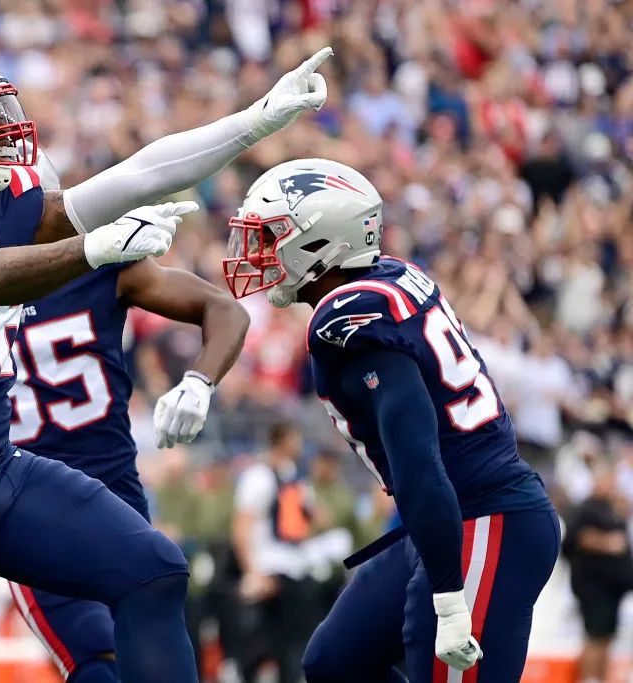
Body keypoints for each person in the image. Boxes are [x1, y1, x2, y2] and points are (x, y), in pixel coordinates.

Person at [0, 46, 332, 683]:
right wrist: (91, 249)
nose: (4, 127)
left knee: (154, 571)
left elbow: (140, 175)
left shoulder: (1, 206)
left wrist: (255, 120)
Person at [222, 158, 560, 682]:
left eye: (272, 237)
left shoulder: (349, 322)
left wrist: (449, 599)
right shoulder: (394, 276)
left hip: (480, 519)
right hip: (448, 515)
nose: (260, 253)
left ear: (320, 245)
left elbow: (417, 459)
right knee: (335, 663)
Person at [3, 159, 249, 681]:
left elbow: (224, 309)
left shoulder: (101, 266)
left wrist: (199, 380)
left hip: (107, 491)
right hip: (27, 507)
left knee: (137, 649)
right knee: (99, 658)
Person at [231, 423, 349, 683]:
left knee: (294, 634)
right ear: (281, 439)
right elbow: (241, 527)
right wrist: (252, 572)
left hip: (294, 562)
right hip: (270, 563)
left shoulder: (293, 475)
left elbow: (317, 517)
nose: (299, 444)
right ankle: (243, 670)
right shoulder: (259, 476)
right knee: (273, 635)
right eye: (294, 438)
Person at [561, 465, 633, 683]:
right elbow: (576, 540)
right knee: (594, 636)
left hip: (613, 589)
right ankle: (588, 679)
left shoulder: (611, 508)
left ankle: (599, 678)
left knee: (605, 638)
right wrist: (607, 543)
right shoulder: (586, 509)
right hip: (595, 587)